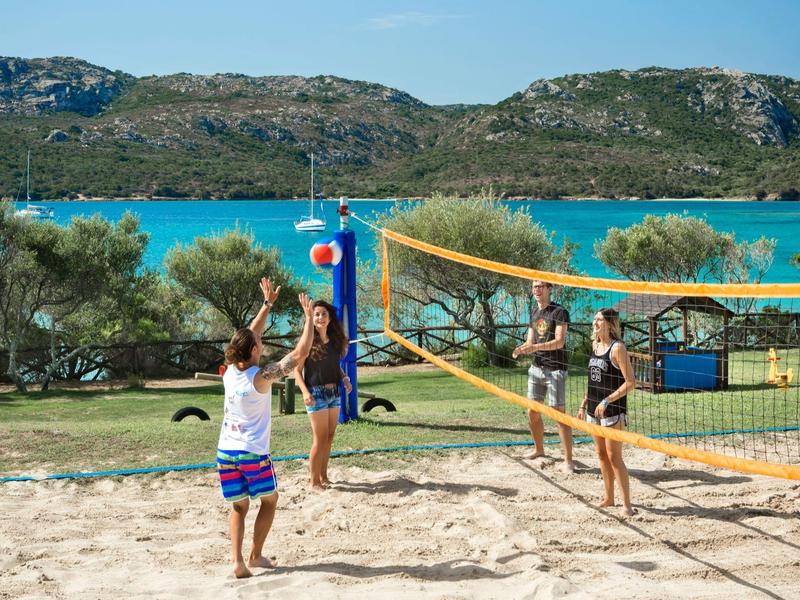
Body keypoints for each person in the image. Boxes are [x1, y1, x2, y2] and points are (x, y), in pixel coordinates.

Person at [216, 277, 314, 578]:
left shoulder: (231, 371)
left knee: (238, 508)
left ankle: (237, 562)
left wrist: (268, 304)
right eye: (259, 343)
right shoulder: (262, 376)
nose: (262, 341)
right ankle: (256, 556)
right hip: (252, 454)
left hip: (225, 452)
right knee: (270, 501)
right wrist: (309, 320)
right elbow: (299, 355)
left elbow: (248, 336)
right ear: (255, 351)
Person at [577, 308, 637, 517]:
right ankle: (609, 497)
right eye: (594, 319)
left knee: (614, 457)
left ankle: (627, 505)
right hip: (594, 408)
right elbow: (593, 380)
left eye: (599, 320)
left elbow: (631, 383)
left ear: (610, 324)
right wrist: (584, 404)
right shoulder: (595, 344)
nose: (595, 323)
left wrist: (607, 400)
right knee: (601, 454)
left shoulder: (617, 348)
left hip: (612, 409)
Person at [512, 280, 575, 473]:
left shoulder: (559, 312)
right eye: (534, 287)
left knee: (558, 414)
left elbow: (559, 342)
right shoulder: (534, 313)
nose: (537, 290)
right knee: (532, 411)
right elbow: (530, 340)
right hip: (536, 368)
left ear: (549, 289)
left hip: (555, 369)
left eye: (541, 286)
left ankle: (568, 460)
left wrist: (535, 347)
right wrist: (522, 348)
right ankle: (539, 450)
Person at [294, 300, 352, 490]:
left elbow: (335, 366)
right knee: (319, 440)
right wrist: (304, 392)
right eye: (316, 314)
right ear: (311, 318)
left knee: (329, 436)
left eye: (323, 314)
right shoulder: (308, 342)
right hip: (315, 393)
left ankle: (324, 476)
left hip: (334, 392)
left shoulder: (335, 341)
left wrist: (344, 378)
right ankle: (314, 481)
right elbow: (296, 372)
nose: (320, 317)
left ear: (329, 318)